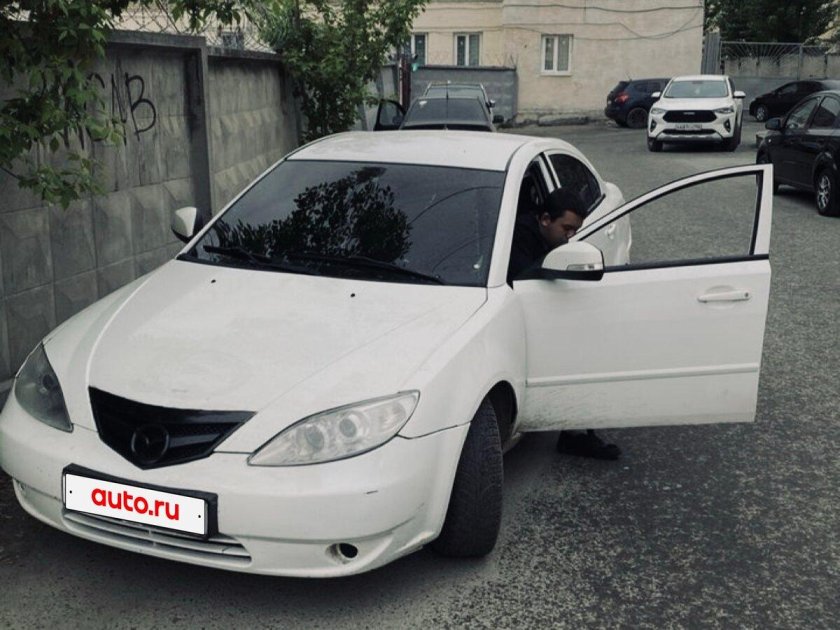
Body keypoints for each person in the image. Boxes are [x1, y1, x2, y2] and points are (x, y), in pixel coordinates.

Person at [508, 186, 622, 461]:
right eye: (567, 229)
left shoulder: (551, 236)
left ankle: (576, 431)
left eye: (575, 231)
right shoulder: (518, 237)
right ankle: (573, 433)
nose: (571, 237)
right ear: (545, 219)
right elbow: (525, 279)